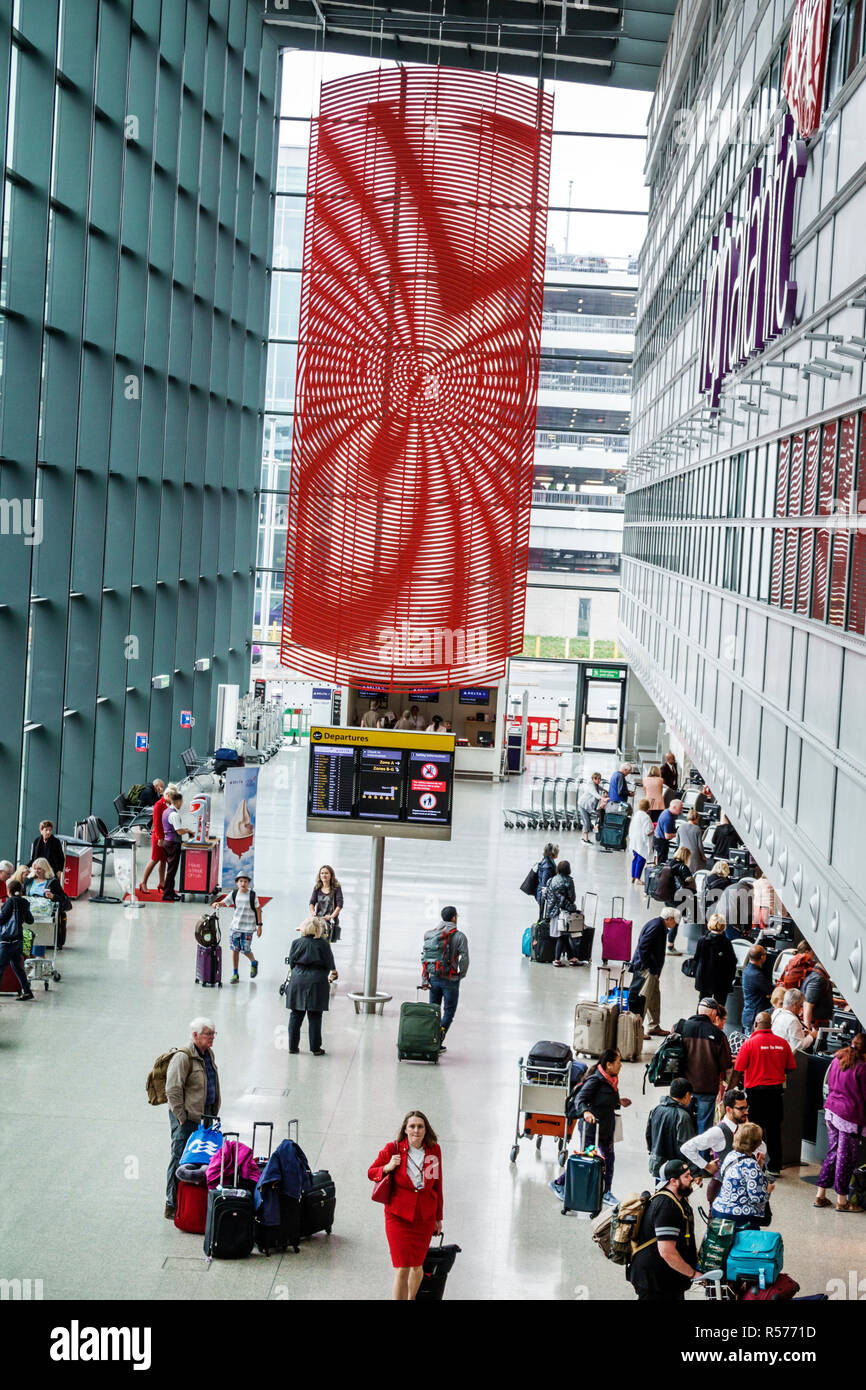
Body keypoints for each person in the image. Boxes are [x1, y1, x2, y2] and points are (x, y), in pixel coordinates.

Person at [368, 1110, 443, 1301]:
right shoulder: (393, 1149)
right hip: (398, 1216)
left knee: (417, 1265)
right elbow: (371, 1172)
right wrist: (387, 1167)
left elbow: (437, 1185)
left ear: (426, 1130)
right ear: (405, 1129)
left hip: (424, 1218)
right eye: (412, 1126)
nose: (416, 1130)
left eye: (420, 1126)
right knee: (402, 1267)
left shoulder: (434, 1151)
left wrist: (438, 1218)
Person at [164, 1018, 220, 1218]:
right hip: (186, 1119)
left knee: (199, 1159)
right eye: (208, 1034)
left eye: (213, 1033)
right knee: (180, 1159)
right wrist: (180, 1116)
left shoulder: (208, 1053)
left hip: (204, 1117)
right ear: (195, 1035)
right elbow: (172, 1089)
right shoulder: (183, 1057)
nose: (212, 1037)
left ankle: (191, 1203)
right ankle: (172, 1203)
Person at [731, 1014, 797, 1177]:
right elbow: (790, 1067)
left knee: (753, 1130)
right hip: (775, 1093)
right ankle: (774, 1167)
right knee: (774, 1130)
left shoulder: (748, 1044)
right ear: (771, 1025)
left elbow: (738, 1071)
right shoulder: (783, 1044)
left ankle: (753, 1164)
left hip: (755, 1095)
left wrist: (730, 1090)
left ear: (755, 1024)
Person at [680, 1088, 766, 1208]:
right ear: (728, 1110)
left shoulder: (744, 1126)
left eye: (746, 1107)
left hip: (743, 1192)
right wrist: (706, 1166)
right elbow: (687, 1148)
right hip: (721, 1190)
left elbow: (762, 1149)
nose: (746, 1112)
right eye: (741, 1108)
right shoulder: (718, 1132)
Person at [627, 1159, 697, 1301]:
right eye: (687, 1176)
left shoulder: (676, 1199)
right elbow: (667, 1252)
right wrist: (692, 1274)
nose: (691, 1179)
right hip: (655, 1282)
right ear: (673, 1181)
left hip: (665, 1279)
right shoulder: (667, 1206)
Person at [571, 1048, 631, 1205]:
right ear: (609, 1064)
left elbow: (604, 1099)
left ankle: (606, 1192)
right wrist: (585, 1113)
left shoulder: (611, 1079)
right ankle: (560, 1183)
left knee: (609, 1160)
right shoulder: (595, 1080)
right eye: (618, 1062)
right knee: (586, 1159)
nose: (621, 1065)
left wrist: (619, 1102)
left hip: (606, 1130)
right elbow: (580, 1099)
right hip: (591, 1131)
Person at [813, 1034, 866, 1211]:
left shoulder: (838, 1058)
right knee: (846, 1158)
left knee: (833, 1153)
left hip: (832, 1111)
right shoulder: (862, 1067)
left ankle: (820, 1195)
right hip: (849, 1116)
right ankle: (842, 1201)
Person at [675, 998, 733, 1135]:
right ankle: (701, 1155)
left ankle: (683, 1154)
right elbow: (726, 1064)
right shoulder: (718, 1035)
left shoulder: (682, 1027)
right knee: (704, 1129)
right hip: (707, 1089)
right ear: (713, 1013)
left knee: (684, 1124)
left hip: (684, 1088)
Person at [286, 917, 337, 1055]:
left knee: (296, 1014)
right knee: (315, 1015)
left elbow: (291, 962)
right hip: (317, 979)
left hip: (298, 978)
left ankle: (292, 1046)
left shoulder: (296, 943)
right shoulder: (323, 944)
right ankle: (315, 1048)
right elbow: (329, 964)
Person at [710, 1122, 773, 1228]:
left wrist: (758, 1168)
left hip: (719, 1209)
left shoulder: (731, 1155)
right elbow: (757, 1197)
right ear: (756, 1143)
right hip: (739, 1215)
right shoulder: (751, 1165)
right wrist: (768, 1190)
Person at [423, 907, 469, 1050]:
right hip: (451, 980)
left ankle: (431, 1039)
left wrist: (425, 979)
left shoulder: (432, 934)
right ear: (454, 918)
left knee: (434, 1011)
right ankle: (438, 1040)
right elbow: (464, 958)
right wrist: (461, 974)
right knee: (448, 1012)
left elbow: (426, 958)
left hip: (434, 978)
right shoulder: (460, 936)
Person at [630, 907, 680, 1037]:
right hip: (647, 970)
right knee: (643, 998)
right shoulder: (657, 927)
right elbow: (643, 946)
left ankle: (654, 1026)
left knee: (654, 997)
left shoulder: (658, 925)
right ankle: (636, 1028)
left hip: (653, 970)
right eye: (675, 921)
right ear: (668, 919)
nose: (675, 924)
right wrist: (649, 966)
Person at [213, 872, 261, 983]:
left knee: (245, 950)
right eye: (240, 881)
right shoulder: (234, 894)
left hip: (248, 928)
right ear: (237, 882)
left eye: (245, 881)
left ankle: (253, 962)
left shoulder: (252, 895)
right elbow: (224, 902)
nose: (243, 883)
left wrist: (259, 926)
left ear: (249, 883)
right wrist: (217, 904)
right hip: (235, 927)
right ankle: (235, 974)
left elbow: (258, 910)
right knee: (235, 950)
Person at [646, 1079, 698, 1178]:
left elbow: (649, 1135)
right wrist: (694, 1172)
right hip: (675, 1169)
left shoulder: (656, 1109)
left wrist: (653, 1153)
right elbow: (688, 1146)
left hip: (656, 1163)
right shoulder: (683, 1116)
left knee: (660, 1191)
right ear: (687, 1095)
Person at [139, 781, 178, 894]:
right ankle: (143, 883)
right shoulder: (159, 805)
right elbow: (156, 823)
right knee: (154, 859)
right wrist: (161, 838)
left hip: (165, 836)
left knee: (163, 860)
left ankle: (162, 883)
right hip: (158, 836)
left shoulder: (165, 803)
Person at [26, 856, 72, 949]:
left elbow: (63, 898)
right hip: (30, 911)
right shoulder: (29, 881)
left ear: (45, 869)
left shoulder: (53, 882)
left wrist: (53, 896)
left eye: (39, 868)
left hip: (46, 913)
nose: (36, 871)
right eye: (35, 868)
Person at [693, 913, 737, 1009]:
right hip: (721, 980)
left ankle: (701, 1020)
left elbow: (696, 958)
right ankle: (717, 1023)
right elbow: (732, 962)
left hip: (704, 978)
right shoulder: (726, 942)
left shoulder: (702, 940)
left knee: (703, 1003)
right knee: (720, 1006)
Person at [542, 859, 580, 967]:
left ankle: (572, 958)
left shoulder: (551, 880)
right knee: (562, 936)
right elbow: (572, 898)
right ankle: (557, 959)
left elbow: (546, 896)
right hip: (564, 912)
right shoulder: (568, 881)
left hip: (553, 912)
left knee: (563, 935)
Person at [0, 880, 34, 1000]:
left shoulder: (10, 901)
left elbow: (2, 919)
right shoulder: (24, 902)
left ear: (9, 890)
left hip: (7, 940)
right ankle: (27, 991)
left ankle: (27, 991)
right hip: (18, 940)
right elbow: (30, 920)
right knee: (18, 968)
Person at [159, 792, 194, 901]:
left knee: (171, 869)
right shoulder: (175, 815)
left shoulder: (166, 811)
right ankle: (167, 894)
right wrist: (188, 830)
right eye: (181, 802)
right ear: (178, 801)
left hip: (167, 841)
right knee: (171, 870)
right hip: (173, 844)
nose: (182, 804)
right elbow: (178, 831)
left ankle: (170, 891)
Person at [661, 846, 695, 952]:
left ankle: (662, 942)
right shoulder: (682, 867)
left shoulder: (669, 863)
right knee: (675, 922)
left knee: (668, 920)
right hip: (678, 899)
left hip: (667, 896)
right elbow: (689, 881)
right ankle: (670, 946)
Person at [742, 944, 773, 1033]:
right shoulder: (756, 975)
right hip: (755, 1016)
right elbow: (771, 991)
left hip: (748, 1014)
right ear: (762, 957)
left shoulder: (747, 970)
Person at [308, 865, 343, 940]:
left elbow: (340, 905)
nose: (324, 875)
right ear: (319, 875)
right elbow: (311, 903)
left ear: (331, 875)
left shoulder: (336, 888)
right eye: (322, 873)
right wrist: (313, 912)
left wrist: (331, 916)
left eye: (326, 873)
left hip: (329, 921)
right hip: (318, 920)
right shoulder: (317, 887)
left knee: (324, 943)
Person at [802, 957, 835, 1033]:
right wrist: (808, 1030)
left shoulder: (816, 976)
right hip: (816, 1027)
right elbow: (808, 1005)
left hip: (818, 1026)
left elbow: (817, 997)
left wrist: (839, 1002)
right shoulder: (818, 980)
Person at [628, 798, 654, 885]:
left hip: (634, 839)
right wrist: (654, 829)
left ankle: (633, 876)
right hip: (642, 841)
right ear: (648, 807)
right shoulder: (646, 817)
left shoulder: (636, 814)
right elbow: (648, 831)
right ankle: (638, 879)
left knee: (635, 859)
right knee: (641, 859)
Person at [577, 772, 603, 842]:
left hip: (586, 806)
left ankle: (583, 837)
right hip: (583, 805)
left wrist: (605, 791)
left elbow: (600, 788)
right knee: (587, 822)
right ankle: (585, 839)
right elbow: (595, 794)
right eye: (597, 779)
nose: (599, 780)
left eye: (600, 779)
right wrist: (602, 798)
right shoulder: (591, 786)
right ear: (593, 779)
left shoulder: (596, 785)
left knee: (587, 821)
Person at [535, 842, 559, 915]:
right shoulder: (547, 867)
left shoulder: (547, 861)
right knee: (544, 917)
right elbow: (544, 885)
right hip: (544, 896)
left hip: (545, 894)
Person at [653, 801, 679, 866]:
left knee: (661, 859)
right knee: (661, 862)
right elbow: (667, 836)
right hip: (661, 842)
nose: (681, 810)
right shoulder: (668, 818)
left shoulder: (667, 812)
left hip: (658, 838)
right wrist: (677, 834)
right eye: (680, 808)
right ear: (674, 807)